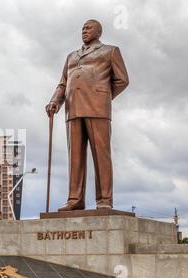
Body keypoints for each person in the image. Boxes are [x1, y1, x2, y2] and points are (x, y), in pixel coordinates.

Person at [46, 19, 129, 211]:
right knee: (75, 156)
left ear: (99, 32)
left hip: (97, 108)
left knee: (101, 154)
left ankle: (104, 199)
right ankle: (75, 199)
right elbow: (62, 83)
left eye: (88, 28)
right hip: (73, 108)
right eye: (82, 28)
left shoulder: (110, 51)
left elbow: (122, 80)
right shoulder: (71, 56)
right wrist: (54, 101)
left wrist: (103, 96)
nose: (84, 31)